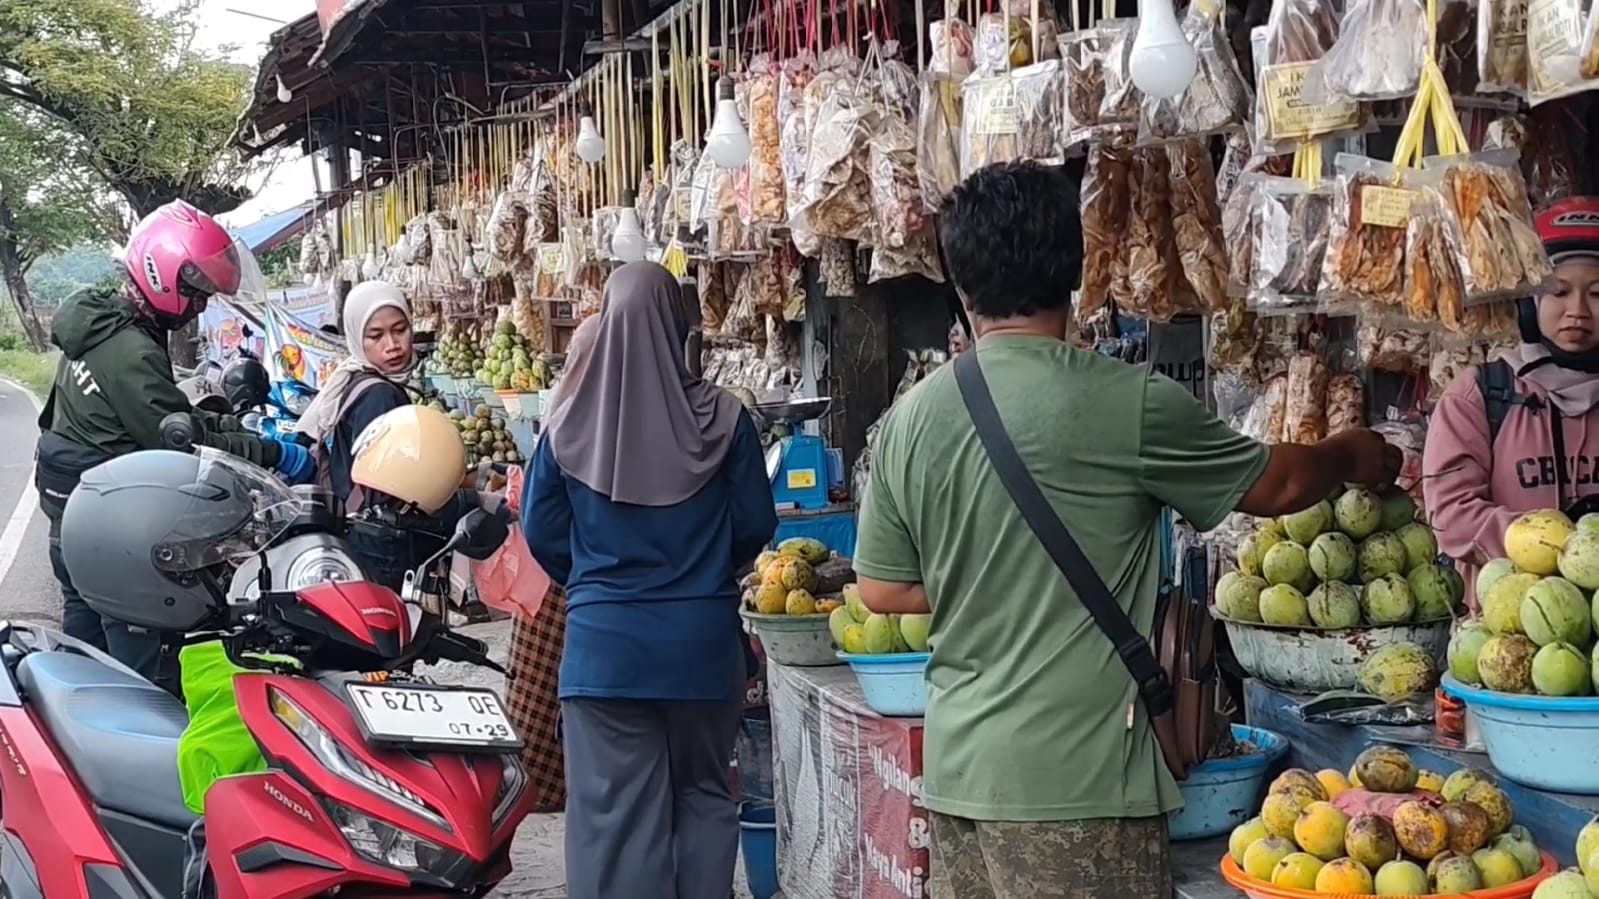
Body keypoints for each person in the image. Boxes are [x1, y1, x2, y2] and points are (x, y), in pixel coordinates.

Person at [852, 162, 1400, 899]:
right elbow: (1280, 485)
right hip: (1082, 787)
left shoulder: (911, 418)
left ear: (958, 284)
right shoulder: (1128, 402)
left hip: (959, 779)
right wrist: (1350, 452)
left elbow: (881, 588)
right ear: (1076, 271)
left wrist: (991, 580)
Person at [522, 261, 777, 899]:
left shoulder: (565, 425)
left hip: (606, 652)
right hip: (702, 647)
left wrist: (593, 585)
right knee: (705, 796)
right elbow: (754, 525)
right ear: (680, 324)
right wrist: (706, 572)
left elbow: (542, 531)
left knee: (616, 817)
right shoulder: (726, 417)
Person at [33, 200, 313, 689]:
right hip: (111, 530)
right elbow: (179, 440)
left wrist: (228, 423)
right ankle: (137, 755)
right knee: (133, 671)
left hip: (71, 519)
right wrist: (272, 451)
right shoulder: (133, 349)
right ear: (162, 275)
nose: (200, 305)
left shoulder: (104, 322)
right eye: (195, 291)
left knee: (79, 651)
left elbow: (163, 414)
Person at [1424, 196, 1599, 603]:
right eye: (1558, 292)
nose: (1577, 311)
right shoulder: (1480, 397)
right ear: (1529, 302)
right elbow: (1452, 518)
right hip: (1504, 642)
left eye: (1596, 293)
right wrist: (1562, 548)